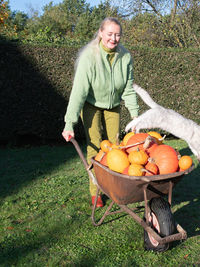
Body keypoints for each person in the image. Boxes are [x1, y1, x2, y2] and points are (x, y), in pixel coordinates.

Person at [62, 17, 139, 208]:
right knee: (94, 147)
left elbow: (128, 89)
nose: (114, 38)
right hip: (91, 105)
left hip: (113, 105)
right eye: (110, 34)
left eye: (118, 34)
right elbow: (78, 92)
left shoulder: (125, 56)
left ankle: (114, 188)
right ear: (101, 33)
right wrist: (69, 123)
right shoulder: (89, 57)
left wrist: (135, 116)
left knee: (116, 147)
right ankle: (95, 191)